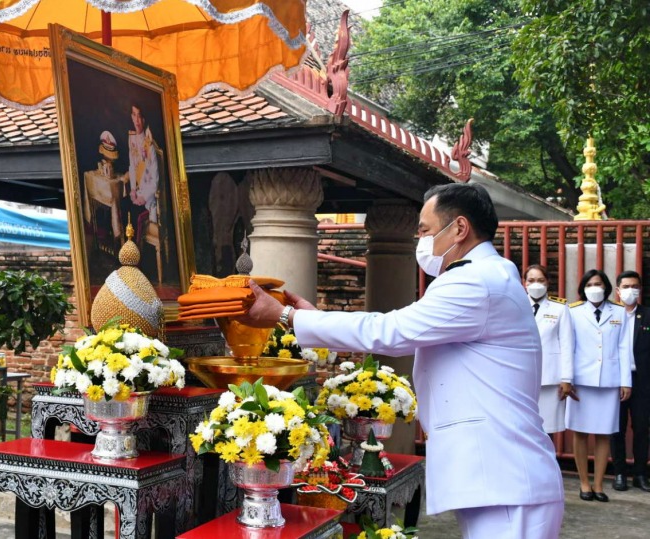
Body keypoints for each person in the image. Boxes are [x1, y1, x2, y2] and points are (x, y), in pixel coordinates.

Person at [244, 183, 564, 539]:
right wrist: (313, 318)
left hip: (506, 475)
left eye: (425, 230)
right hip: (499, 474)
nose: (421, 241)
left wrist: (287, 316)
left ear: (459, 229)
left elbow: (391, 331)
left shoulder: (476, 280)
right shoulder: (486, 274)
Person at [566, 269, 631, 502]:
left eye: (599, 284)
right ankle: (584, 482)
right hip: (581, 381)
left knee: (604, 433)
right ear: (583, 288)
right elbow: (568, 347)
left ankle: (599, 484)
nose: (595, 288)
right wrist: (567, 378)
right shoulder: (572, 311)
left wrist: (626, 381)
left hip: (609, 380)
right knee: (581, 432)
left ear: (607, 287)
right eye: (590, 284)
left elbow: (624, 348)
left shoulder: (619, 312)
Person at [610, 270, 650, 492]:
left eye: (634, 286)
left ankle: (640, 474)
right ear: (617, 290)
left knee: (642, 428)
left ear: (640, 290)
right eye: (625, 286)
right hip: (616, 380)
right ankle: (619, 473)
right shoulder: (612, 315)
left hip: (642, 380)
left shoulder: (647, 315)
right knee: (617, 428)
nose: (630, 290)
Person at [523, 264, 575, 433]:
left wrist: (566, 378)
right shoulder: (516, 305)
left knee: (547, 429)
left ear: (548, 282)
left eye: (540, 280)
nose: (535, 284)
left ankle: (548, 460)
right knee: (523, 427)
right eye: (531, 280)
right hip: (521, 376)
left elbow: (567, 344)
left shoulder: (559, 308)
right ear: (524, 283)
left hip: (550, 377)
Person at [123, 104, 160, 236]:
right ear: (131, 117)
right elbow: (132, 167)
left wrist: (143, 197)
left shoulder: (149, 145)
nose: (137, 120)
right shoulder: (132, 139)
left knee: (133, 215)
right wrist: (133, 190)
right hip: (136, 193)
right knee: (122, 205)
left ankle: (135, 254)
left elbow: (155, 182)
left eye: (140, 116)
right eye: (134, 115)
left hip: (148, 199)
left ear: (144, 120)